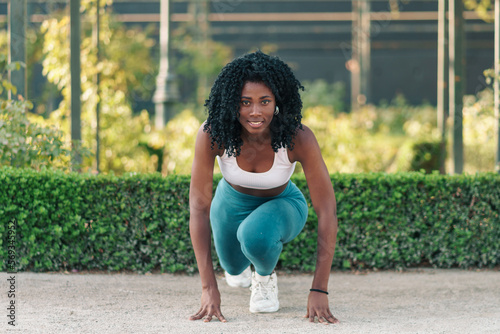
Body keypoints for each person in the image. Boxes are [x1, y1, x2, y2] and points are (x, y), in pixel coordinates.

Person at [188, 51, 339, 324]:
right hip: (229, 202)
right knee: (233, 269)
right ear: (232, 103)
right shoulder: (213, 134)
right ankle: (242, 271)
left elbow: (327, 209)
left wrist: (319, 289)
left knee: (255, 236)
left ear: (277, 102)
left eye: (264, 102)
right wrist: (208, 289)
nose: (255, 112)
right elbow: (199, 208)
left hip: (283, 204)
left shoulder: (298, 138)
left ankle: (264, 277)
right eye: (245, 102)